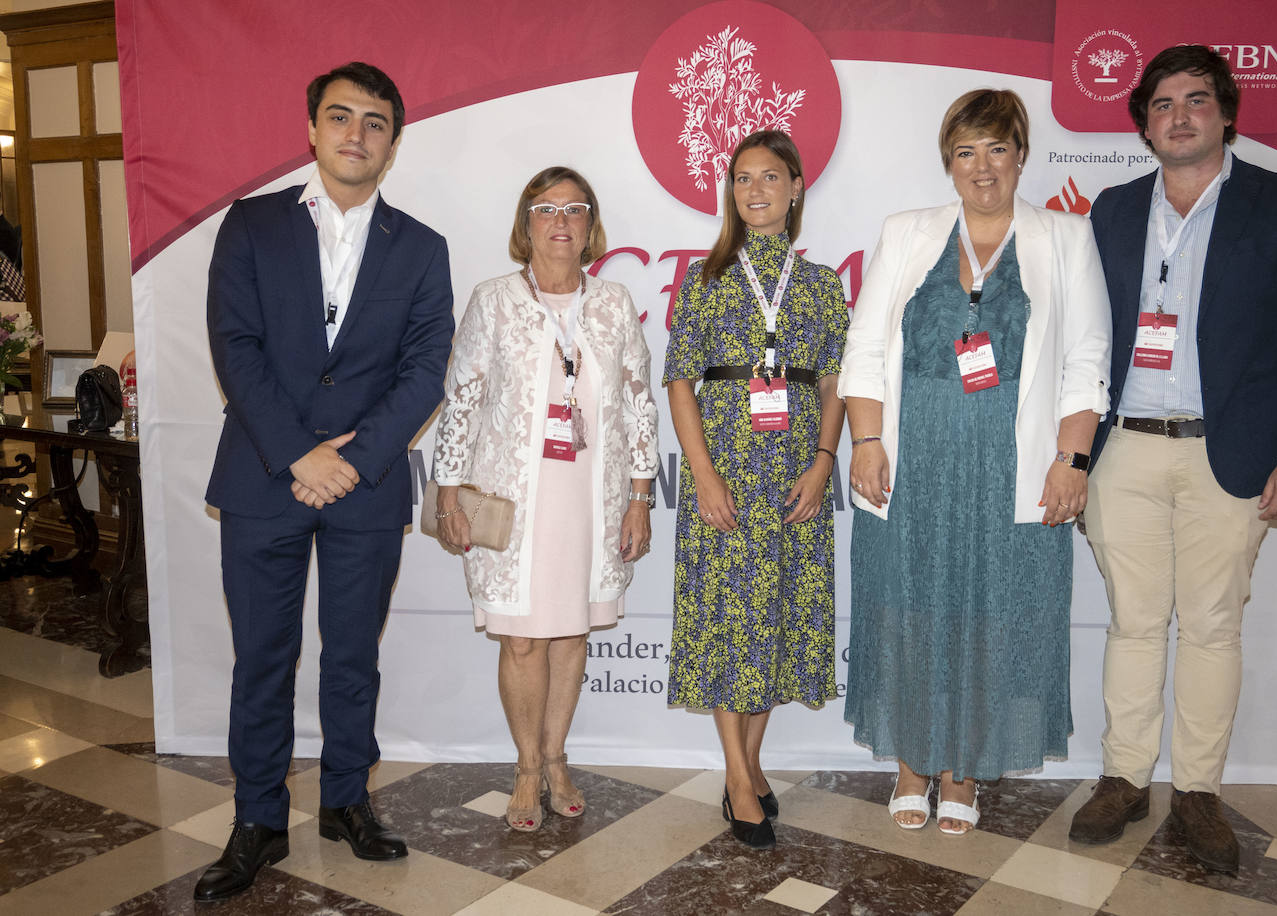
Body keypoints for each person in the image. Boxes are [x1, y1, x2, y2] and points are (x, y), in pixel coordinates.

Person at [1070, 45, 1277, 875]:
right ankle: (1123, 777)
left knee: (1214, 628)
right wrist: (1074, 453)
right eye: (1161, 103)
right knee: (1135, 623)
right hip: (1126, 452)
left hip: (1236, 453)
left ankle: (1197, 792)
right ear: (1143, 123)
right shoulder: (1113, 210)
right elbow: (1083, 341)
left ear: (1226, 113)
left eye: (1195, 100)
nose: (1178, 115)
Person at [199, 62, 454, 901]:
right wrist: (298, 454)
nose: (356, 133)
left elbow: (425, 368)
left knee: (353, 658)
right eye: (340, 117)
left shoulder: (420, 247)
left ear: (393, 140)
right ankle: (258, 820)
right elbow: (234, 346)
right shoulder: (251, 226)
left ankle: (348, 801)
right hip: (263, 477)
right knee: (262, 659)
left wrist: (350, 458)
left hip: (366, 484)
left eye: (374, 121)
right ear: (312, 130)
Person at [840, 89, 1111, 835]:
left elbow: (1087, 357)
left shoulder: (1065, 236)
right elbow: (864, 347)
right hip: (912, 452)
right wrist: (866, 441)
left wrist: (1072, 457)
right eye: (966, 152)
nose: (982, 167)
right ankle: (910, 763)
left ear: (1022, 154)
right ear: (948, 163)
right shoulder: (907, 232)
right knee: (908, 607)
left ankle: (963, 771)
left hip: (1013, 458)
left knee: (994, 613)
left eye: (996, 149)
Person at [432, 166, 658, 832]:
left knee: (571, 632)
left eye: (575, 209)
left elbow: (641, 404)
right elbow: (463, 399)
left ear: (591, 227)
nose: (561, 222)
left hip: (593, 495)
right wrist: (447, 490)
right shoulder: (493, 299)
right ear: (525, 225)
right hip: (513, 497)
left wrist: (641, 494)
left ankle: (558, 757)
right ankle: (527, 767)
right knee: (524, 642)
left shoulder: (614, 302)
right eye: (546, 209)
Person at [663, 130, 848, 850]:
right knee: (725, 622)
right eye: (743, 179)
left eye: (771, 177)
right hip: (728, 475)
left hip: (797, 474)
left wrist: (824, 460)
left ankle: (752, 762)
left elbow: (835, 382)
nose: (756, 191)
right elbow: (680, 382)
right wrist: (703, 476)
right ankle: (738, 778)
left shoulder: (823, 283)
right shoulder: (704, 279)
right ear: (731, 192)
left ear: (797, 187)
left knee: (775, 617)